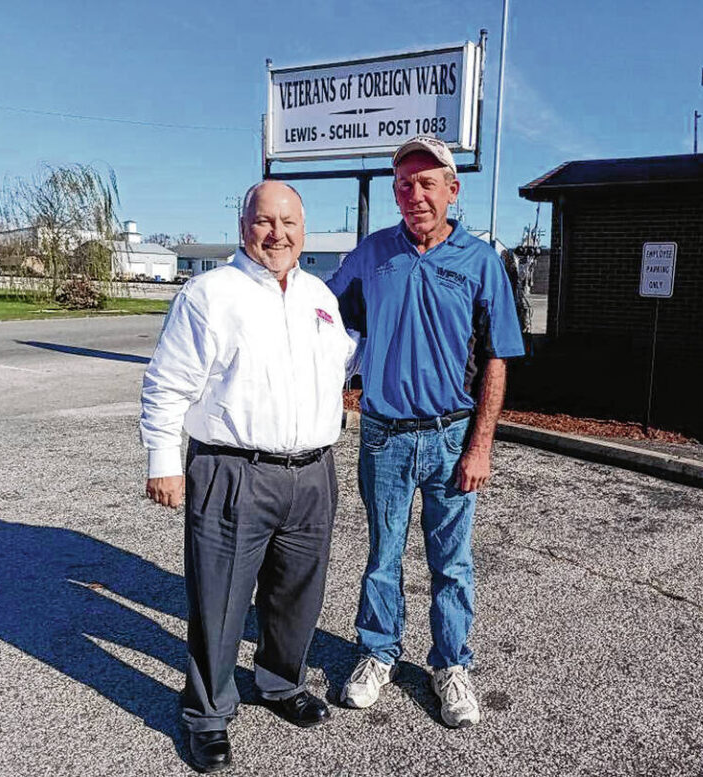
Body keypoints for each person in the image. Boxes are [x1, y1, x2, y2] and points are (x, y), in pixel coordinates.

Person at [141, 180, 355, 772]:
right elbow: (166, 385)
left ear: (304, 230)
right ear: (244, 227)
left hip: (313, 472)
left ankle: (279, 681)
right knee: (220, 598)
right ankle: (206, 714)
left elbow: (342, 358)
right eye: (265, 221)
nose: (277, 233)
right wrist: (163, 461)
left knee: (297, 592)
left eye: (289, 222)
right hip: (233, 470)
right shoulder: (209, 294)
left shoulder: (319, 296)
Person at [327, 135, 525, 728]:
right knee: (382, 555)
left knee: (452, 561)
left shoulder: (480, 262)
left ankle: (450, 665)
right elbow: (322, 321)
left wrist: (481, 446)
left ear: (452, 190)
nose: (414, 194)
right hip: (383, 435)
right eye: (404, 185)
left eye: (427, 183)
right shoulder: (371, 256)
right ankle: (378, 653)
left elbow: (497, 357)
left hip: (450, 437)